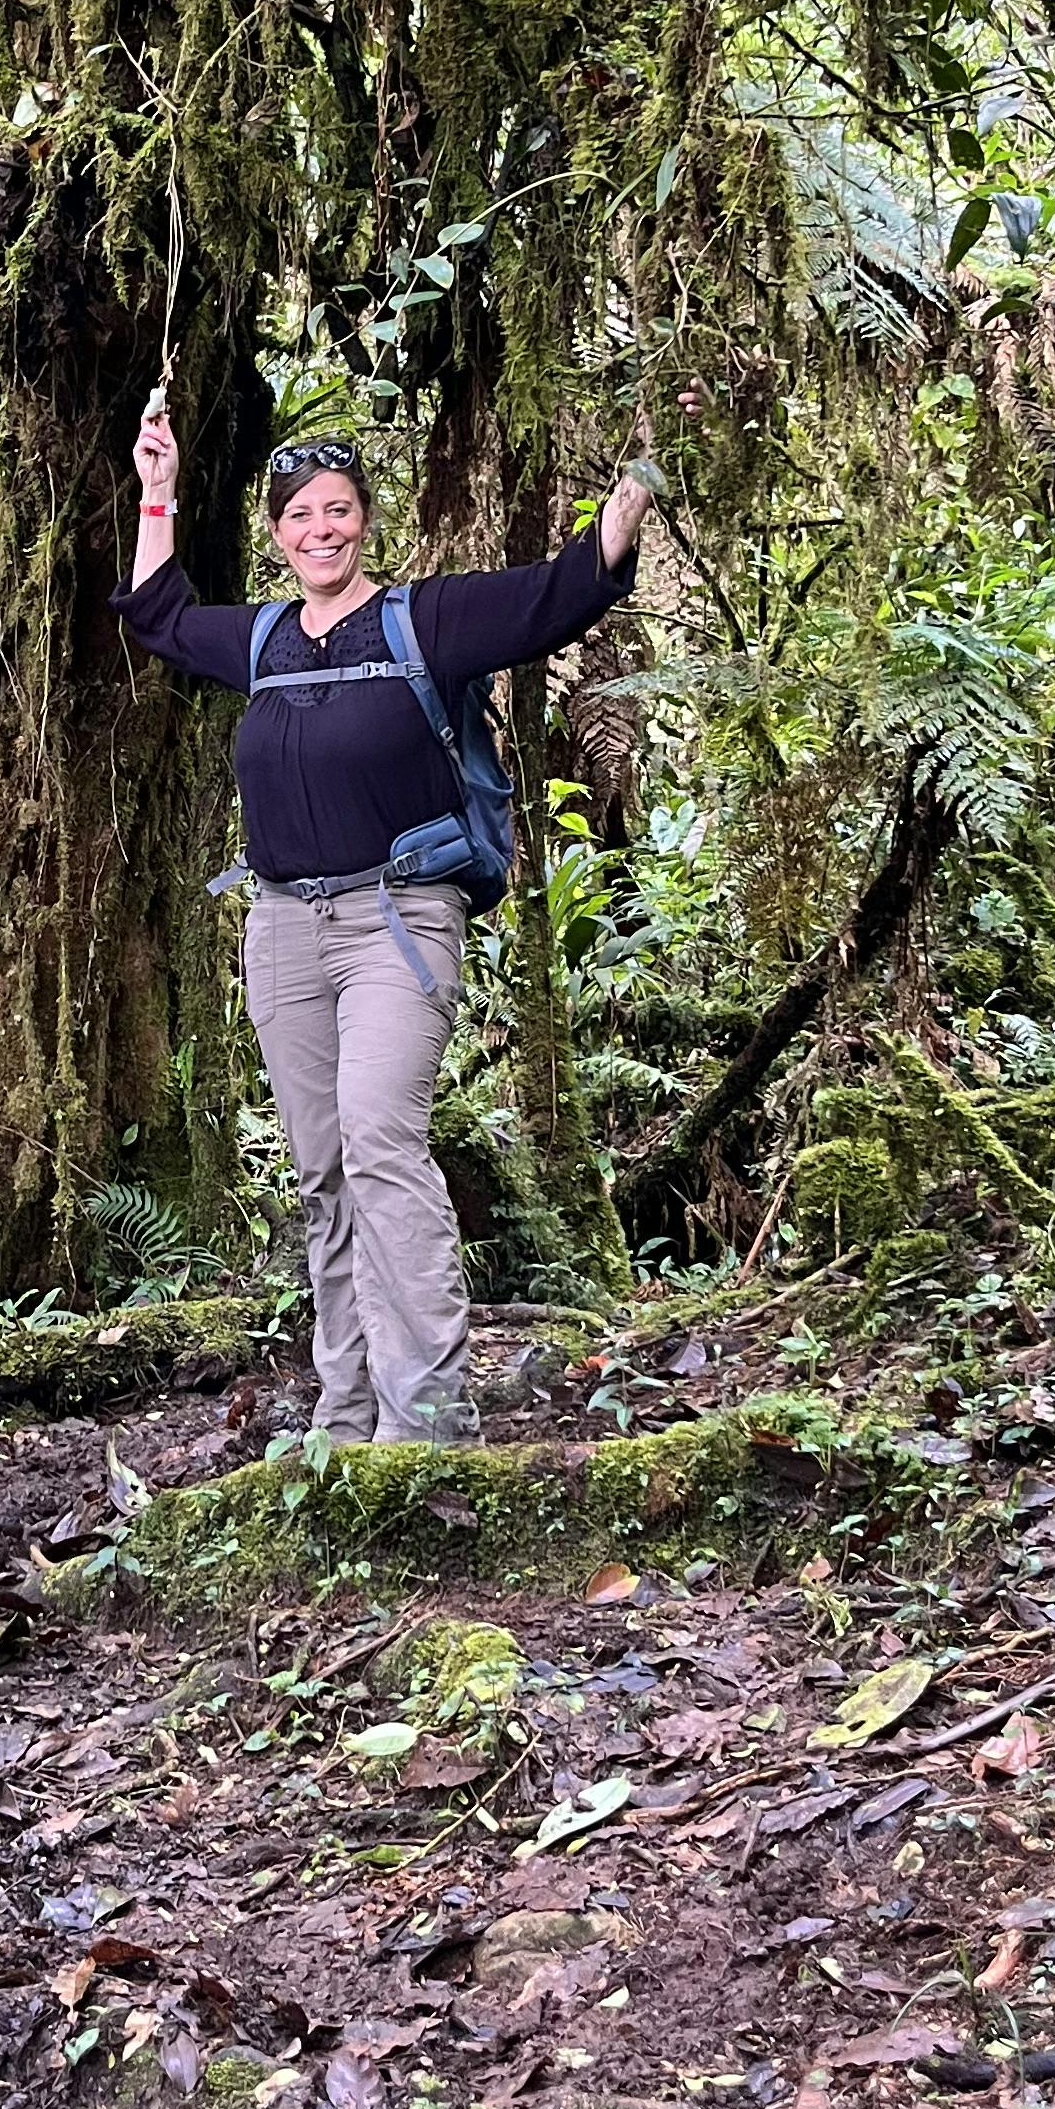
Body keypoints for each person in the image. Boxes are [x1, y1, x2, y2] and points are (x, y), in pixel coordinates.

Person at [116, 408, 653, 1446]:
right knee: (321, 1169)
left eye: (342, 511)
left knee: (380, 1143)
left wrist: (636, 479)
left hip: (396, 925)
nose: (324, 529)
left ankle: (431, 1419)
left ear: (366, 522)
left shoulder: (426, 623)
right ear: (278, 533)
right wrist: (158, 486)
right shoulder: (265, 639)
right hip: (283, 934)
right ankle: (348, 1407)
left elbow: (561, 592)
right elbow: (158, 615)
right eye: (303, 515)